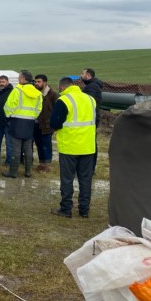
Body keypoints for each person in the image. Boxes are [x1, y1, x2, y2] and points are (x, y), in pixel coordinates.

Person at [50, 77, 97, 218]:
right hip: (88, 146)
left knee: (67, 179)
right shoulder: (90, 100)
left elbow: (55, 123)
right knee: (85, 179)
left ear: (62, 87)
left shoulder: (63, 100)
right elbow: (96, 119)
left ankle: (66, 209)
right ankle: (84, 210)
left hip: (69, 146)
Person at [2, 70, 42, 178]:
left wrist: (8, 116)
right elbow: (39, 109)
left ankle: (13, 172)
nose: (18, 79)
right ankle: (28, 171)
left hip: (16, 122)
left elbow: (9, 106)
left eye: (19, 77)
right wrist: (32, 117)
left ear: (23, 79)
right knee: (28, 148)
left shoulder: (17, 91)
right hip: (30, 122)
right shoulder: (37, 93)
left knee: (16, 148)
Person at [32, 74, 58, 171]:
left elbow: (56, 110)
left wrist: (54, 122)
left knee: (46, 144)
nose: (36, 83)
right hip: (35, 124)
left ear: (45, 82)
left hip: (47, 125)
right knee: (39, 144)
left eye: (39, 82)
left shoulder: (53, 94)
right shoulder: (34, 93)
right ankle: (41, 163)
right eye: (35, 81)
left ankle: (47, 165)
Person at [81, 67, 103, 169]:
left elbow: (87, 103)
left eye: (83, 74)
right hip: (93, 117)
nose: (81, 76)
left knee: (90, 143)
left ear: (88, 75)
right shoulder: (93, 85)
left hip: (91, 118)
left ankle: (90, 167)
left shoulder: (92, 87)